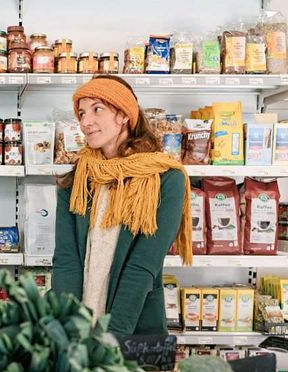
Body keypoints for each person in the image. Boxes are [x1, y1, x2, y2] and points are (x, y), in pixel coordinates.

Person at [52, 75, 193, 336]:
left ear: (124, 115)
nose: (86, 122)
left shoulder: (165, 179)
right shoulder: (77, 181)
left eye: (97, 110)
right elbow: (66, 261)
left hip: (132, 326)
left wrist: (112, 341)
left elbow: (142, 266)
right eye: (81, 113)